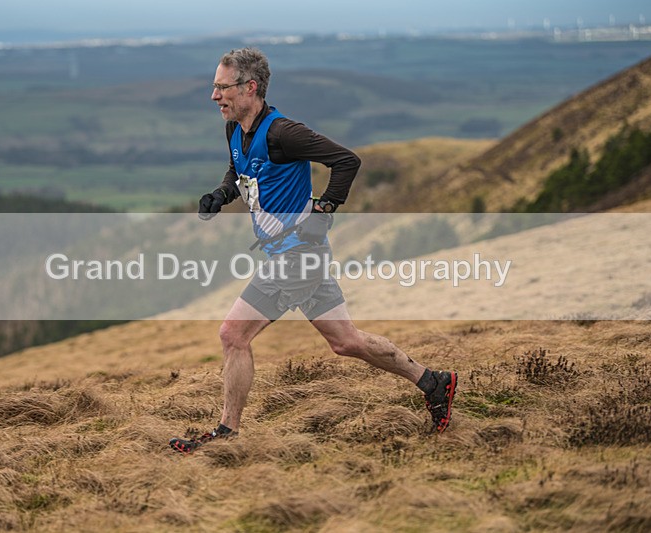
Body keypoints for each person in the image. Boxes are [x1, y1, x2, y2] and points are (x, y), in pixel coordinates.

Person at [169, 48, 456, 454]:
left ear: (250, 87)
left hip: (297, 255)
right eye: (214, 87)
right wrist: (221, 194)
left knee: (233, 334)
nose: (214, 96)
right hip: (296, 254)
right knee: (346, 341)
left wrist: (324, 208)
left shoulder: (283, 133)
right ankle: (433, 381)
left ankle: (226, 437)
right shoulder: (235, 128)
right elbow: (240, 170)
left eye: (221, 87)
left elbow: (346, 161)